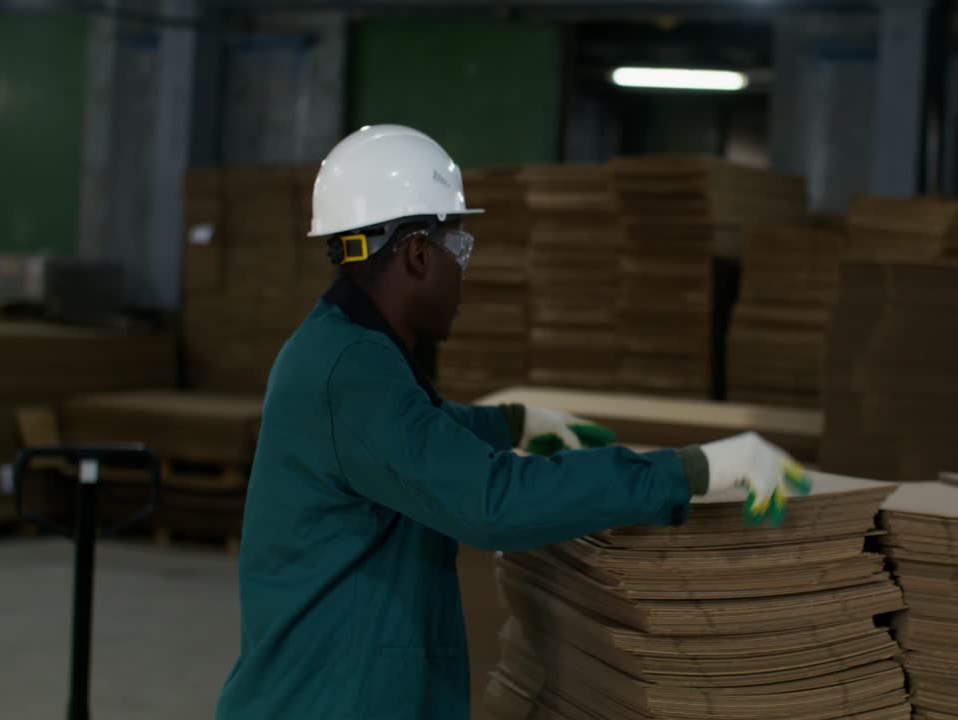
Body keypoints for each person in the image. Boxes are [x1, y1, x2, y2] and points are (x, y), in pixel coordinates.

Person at [214, 124, 810, 720]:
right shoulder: (350, 374)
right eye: (459, 248)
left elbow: (421, 435)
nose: (463, 270)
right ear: (419, 253)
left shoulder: (339, 347)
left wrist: (515, 423)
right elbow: (493, 502)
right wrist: (690, 470)